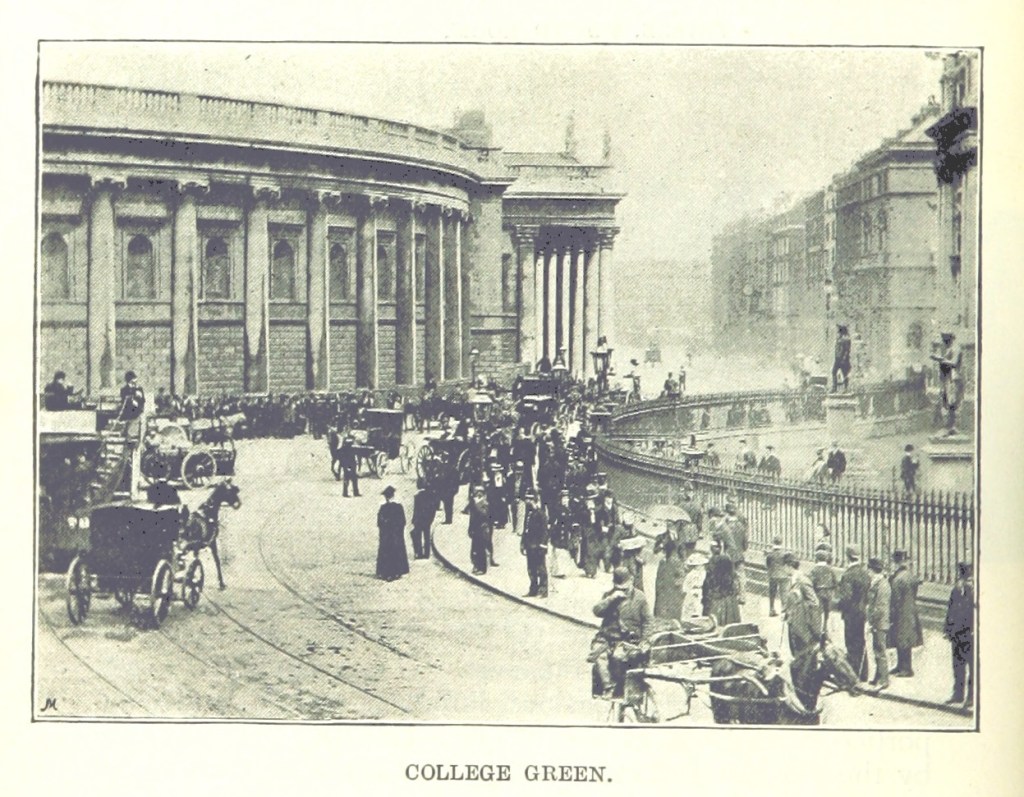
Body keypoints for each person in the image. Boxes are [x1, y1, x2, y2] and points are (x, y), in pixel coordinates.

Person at [589, 566, 653, 698]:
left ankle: (621, 689)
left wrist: (645, 640)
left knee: (619, 657)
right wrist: (610, 599)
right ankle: (608, 687)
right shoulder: (609, 595)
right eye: (619, 587)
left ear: (631, 580)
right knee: (599, 657)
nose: (623, 591)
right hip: (607, 638)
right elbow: (597, 611)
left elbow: (648, 621)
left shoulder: (640, 598)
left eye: (625, 587)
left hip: (628, 640)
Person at [837, 546, 872, 678]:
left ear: (847, 557)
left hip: (851, 614)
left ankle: (853, 673)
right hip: (862, 612)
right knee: (860, 642)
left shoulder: (848, 575)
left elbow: (846, 597)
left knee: (851, 643)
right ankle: (863, 673)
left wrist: (839, 606)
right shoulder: (865, 573)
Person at [888, 549, 923, 678]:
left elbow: (895, 599)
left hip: (900, 612)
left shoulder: (897, 579)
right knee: (904, 639)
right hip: (910, 610)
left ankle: (906, 668)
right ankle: (901, 665)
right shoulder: (910, 575)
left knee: (901, 639)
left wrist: (891, 614)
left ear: (896, 562)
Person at [944, 561, 974, 706]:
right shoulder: (956, 588)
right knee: (957, 665)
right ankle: (958, 694)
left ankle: (971, 697)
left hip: (970, 633)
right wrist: (948, 629)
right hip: (957, 633)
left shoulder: (975, 590)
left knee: (972, 666)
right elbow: (950, 610)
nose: (963, 576)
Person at [782, 553, 822, 659]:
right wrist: (787, 611)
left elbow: (814, 602)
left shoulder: (803, 580)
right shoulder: (792, 579)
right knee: (795, 651)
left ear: (788, 566)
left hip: (802, 624)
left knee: (803, 653)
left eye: (784, 566)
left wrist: (800, 608)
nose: (783, 569)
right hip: (793, 622)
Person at [930, 331, 965, 434]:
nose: (944, 344)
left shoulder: (956, 349)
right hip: (949, 378)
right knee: (948, 401)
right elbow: (945, 360)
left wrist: (939, 359)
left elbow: (954, 363)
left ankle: (953, 426)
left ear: (949, 340)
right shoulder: (949, 349)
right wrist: (940, 359)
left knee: (953, 402)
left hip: (956, 378)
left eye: (945, 341)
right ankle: (950, 425)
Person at [866, 557, 891, 689]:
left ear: (872, 570)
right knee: (876, 649)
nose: (868, 572)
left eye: (869, 569)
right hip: (878, 622)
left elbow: (880, 607)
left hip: (880, 623)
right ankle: (877, 676)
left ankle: (884, 680)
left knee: (880, 651)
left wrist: (872, 623)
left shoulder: (882, 585)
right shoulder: (877, 582)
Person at [375, 486, 409, 582]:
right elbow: (403, 522)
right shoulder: (399, 507)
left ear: (386, 497)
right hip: (396, 536)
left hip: (386, 536)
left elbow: (379, 523)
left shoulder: (383, 508)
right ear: (393, 496)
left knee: (386, 552)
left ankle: (385, 572)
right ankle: (397, 571)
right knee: (397, 552)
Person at [702, 541, 740, 626]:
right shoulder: (730, 574)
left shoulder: (712, 563)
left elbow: (707, 586)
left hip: (716, 601)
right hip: (729, 600)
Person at [520, 491, 549, 598]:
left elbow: (545, 531)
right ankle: (533, 589)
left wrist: (543, 544)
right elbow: (525, 530)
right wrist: (522, 544)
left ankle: (543, 590)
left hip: (538, 546)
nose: (527, 501)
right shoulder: (529, 513)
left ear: (535, 501)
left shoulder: (541, 514)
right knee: (531, 569)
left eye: (530, 499)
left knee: (541, 569)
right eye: (527, 499)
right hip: (529, 545)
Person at [653, 537, 684, 621]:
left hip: (663, 593)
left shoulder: (663, 562)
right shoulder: (677, 562)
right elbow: (681, 578)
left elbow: (658, 580)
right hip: (673, 593)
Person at [464, 485, 492, 575]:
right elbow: (472, 518)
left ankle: (482, 568)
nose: (476, 496)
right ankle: (476, 565)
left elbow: (484, 515)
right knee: (474, 549)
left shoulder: (485, 504)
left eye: (479, 494)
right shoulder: (474, 504)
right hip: (475, 529)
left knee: (481, 550)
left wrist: (477, 505)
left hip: (482, 530)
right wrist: (470, 529)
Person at [809, 549, 838, 633]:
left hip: (818, 592)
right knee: (827, 611)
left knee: (818, 612)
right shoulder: (830, 569)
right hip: (829, 593)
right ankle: (825, 628)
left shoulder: (814, 570)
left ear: (816, 559)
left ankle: (818, 630)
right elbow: (835, 582)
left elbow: (811, 582)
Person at [410, 477, 438, 560]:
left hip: (419, 520)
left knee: (418, 536)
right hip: (427, 520)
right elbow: (433, 509)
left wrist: (414, 519)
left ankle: (419, 553)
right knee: (427, 536)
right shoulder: (431, 495)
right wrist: (431, 519)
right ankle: (427, 553)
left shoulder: (417, 496)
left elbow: (416, 510)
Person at [764, 536, 789, 617]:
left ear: (773, 543)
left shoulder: (770, 554)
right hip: (783, 575)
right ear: (781, 543)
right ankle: (784, 611)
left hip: (773, 575)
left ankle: (771, 609)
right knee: (784, 593)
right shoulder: (784, 554)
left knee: (772, 593)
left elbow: (767, 565)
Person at [832, 324, 851, 393]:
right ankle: (834, 388)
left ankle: (845, 388)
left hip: (843, 360)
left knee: (844, 374)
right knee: (834, 372)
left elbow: (847, 350)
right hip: (837, 359)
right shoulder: (839, 339)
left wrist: (844, 359)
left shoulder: (846, 340)